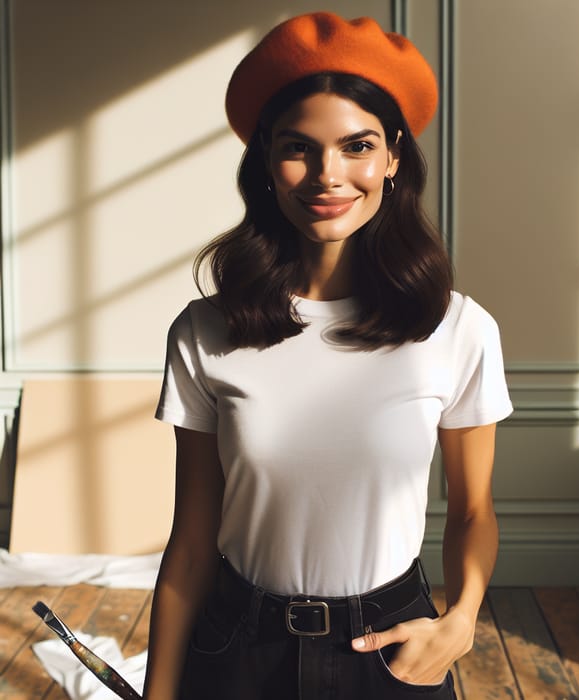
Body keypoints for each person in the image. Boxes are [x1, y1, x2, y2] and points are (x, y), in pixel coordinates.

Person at [143, 11, 512, 700]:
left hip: (392, 647)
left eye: (357, 146)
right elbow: (191, 545)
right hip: (238, 649)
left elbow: (472, 513)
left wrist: (460, 621)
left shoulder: (458, 329)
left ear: (393, 156)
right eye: (298, 148)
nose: (327, 175)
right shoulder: (204, 331)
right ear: (266, 162)